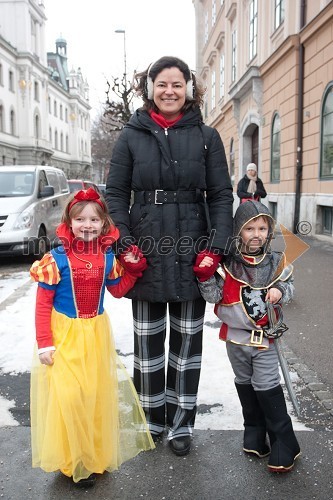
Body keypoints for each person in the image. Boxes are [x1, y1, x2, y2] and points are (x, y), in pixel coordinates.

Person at [106, 56, 233, 456]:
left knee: (186, 348)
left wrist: (216, 247)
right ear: (150, 88)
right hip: (144, 250)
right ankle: (151, 421)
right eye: (162, 84)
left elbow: (221, 195)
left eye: (178, 84)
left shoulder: (208, 136)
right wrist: (123, 243)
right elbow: (115, 194)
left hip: (192, 251)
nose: (170, 91)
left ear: (188, 89)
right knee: (147, 346)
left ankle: (181, 426)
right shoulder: (130, 136)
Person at [29, 188, 155, 488]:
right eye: (80, 219)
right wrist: (44, 342)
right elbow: (42, 304)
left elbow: (116, 289)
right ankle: (74, 459)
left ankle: (93, 456)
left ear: (103, 223)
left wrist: (134, 272)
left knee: (93, 395)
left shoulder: (106, 255)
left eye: (94, 220)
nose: (87, 225)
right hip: (65, 335)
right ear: (69, 223)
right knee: (69, 397)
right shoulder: (55, 258)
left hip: (96, 333)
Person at [194, 200, 300, 473]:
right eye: (249, 228)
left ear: (269, 230)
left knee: (266, 386)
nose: (256, 233)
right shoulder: (228, 264)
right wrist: (205, 276)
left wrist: (280, 291)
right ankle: (254, 433)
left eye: (262, 227)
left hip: (265, 338)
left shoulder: (276, 261)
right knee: (244, 384)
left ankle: (284, 443)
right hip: (236, 339)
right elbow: (214, 297)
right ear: (238, 232)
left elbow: (289, 288)